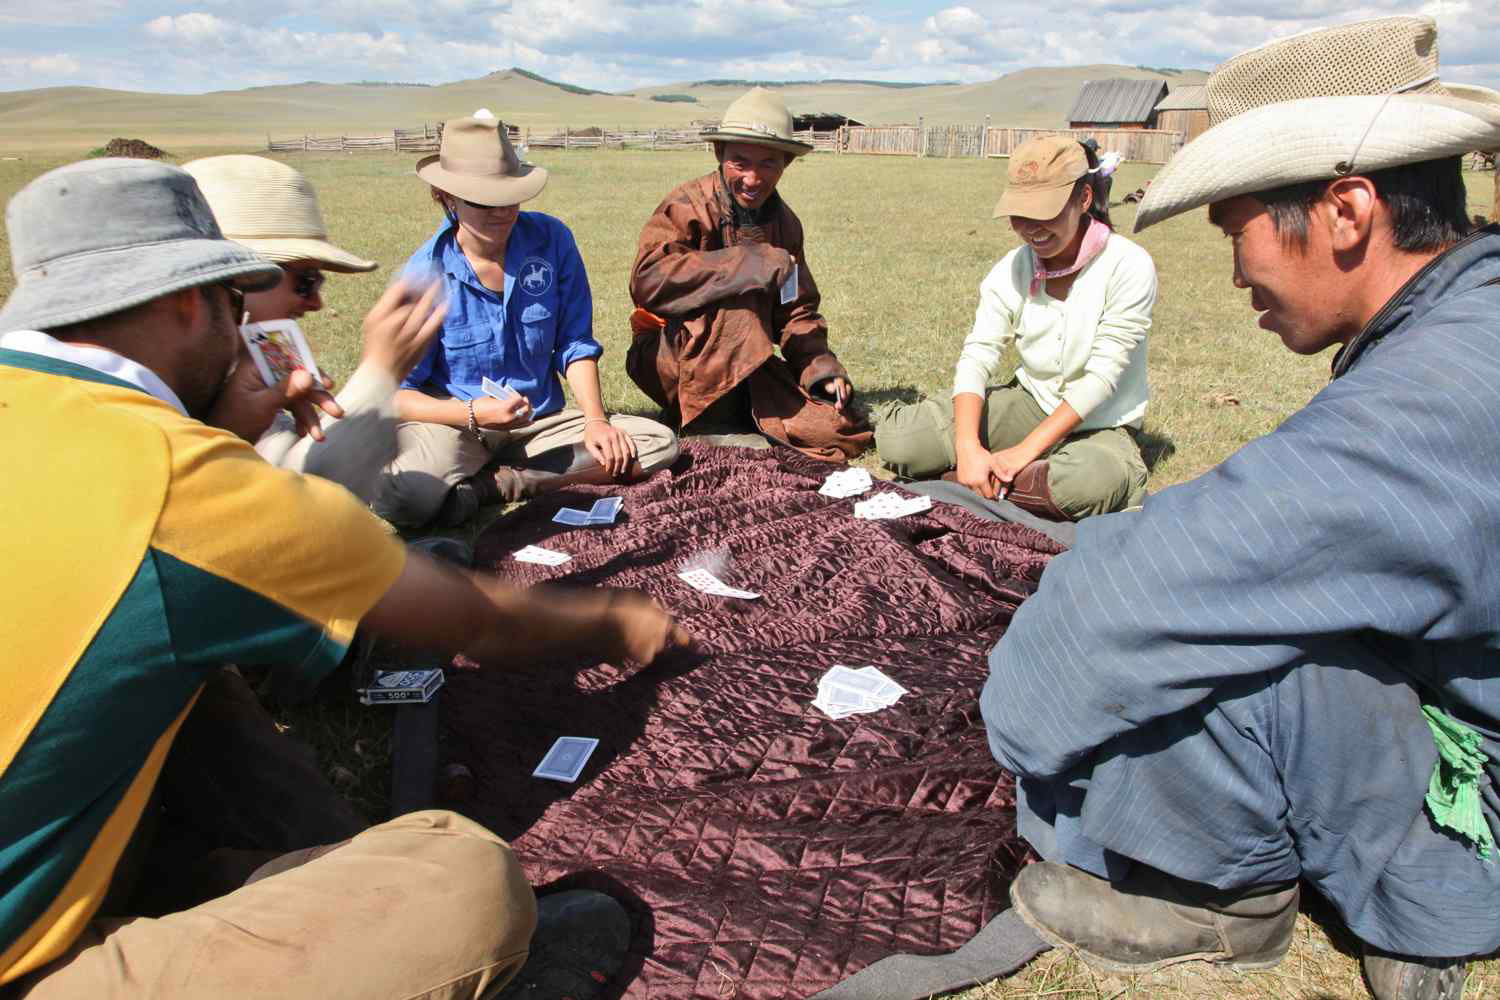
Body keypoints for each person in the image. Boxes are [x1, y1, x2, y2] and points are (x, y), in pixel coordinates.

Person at [0, 157, 691, 998]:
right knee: (462, 882)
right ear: (190, 302)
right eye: (255, 291)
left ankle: (216, 877)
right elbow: (472, 618)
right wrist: (616, 621)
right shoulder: (178, 483)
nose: (307, 308)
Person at [979, 17, 1500, 1000]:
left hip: (1483, 799)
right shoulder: (1467, 323)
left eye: (1240, 231)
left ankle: (1252, 897)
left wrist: (1025, 740)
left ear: (1347, 210)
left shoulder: (1444, 393)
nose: (1236, 274)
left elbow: (1109, 616)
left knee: (1179, 639)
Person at [373, 113, 680, 528]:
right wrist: (472, 414)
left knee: (656, 442)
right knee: (405, 497)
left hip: (542, 421)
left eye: (510, 198)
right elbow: (395, 394)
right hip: (460, 425)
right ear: (446, 197)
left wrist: (595, 420)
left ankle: (495, 486)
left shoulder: (552, 240)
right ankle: (481, 475)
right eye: (484, 202)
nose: (502, 213)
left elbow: (574, 343)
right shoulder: (422, 277)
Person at [875, 135, 1154, 520]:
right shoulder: (1012, 268)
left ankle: (962, 482)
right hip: (1030, 403)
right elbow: (978, 356)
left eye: (1046, 212)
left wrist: (1023, 452)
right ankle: (995, 479)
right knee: (900, 443)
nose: (1031, 228)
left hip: (1100, 424)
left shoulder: (1128, 265)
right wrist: (969, 445)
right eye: (1020, 214)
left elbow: (1101, 378)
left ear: (1084, 198)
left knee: (1089, 482)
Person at [626, 87, 873, 461]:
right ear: (720, 155)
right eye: (741, 162)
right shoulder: (688, 205)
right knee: (739, 305)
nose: (753, 178)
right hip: (668, 357)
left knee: (837, 430)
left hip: (745, 360)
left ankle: (736, 414)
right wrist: (744, 264)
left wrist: (820, 369)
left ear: (786, 164)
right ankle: (708, 426)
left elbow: (797, 312)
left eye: (768, 163)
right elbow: (646, 282)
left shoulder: (786, 226)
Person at [182, 153, 428, 506]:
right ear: (230, 281)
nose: (316, 304)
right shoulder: (144, 392)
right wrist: (381, 373)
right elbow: (304, 504)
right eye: (305, 281)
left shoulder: (222, 375)